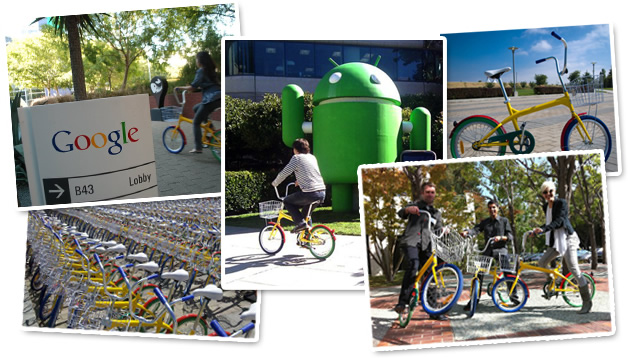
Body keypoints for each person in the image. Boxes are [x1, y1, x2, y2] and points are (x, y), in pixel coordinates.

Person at [532, 181, 592, 314]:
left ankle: (587, 302)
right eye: (545, 192)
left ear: (554, 191)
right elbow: (549, 222)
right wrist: (538, 230)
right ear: (543, 195)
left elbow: (559, 221)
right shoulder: (545, 207)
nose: (548, 194)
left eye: (550, 191)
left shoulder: (562, 203)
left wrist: (544, 229)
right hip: (556, 241)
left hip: (568, 238)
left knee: (573, 269)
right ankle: (551, 281)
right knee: (542, 262)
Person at [393, 182, 446, 320]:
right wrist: (408, 210)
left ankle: (433, 310)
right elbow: (401, 212)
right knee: (413, 265)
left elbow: (438, 229)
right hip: (411, 242)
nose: (430, 194)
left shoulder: (436, 213)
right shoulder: (415, 205)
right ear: (423, 193)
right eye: (427, 192)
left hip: (426, 245)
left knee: (431, 275)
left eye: (432, 192)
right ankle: (402, 302)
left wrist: (445, 230)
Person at [461, 200, 516, 310]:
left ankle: (514, 297)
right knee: (478, 273)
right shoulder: (485, 222)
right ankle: (474, 300)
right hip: (488, 250)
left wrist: (501, 238)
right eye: (490, 208)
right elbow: (476, 229)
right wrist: (467, 232)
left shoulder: (504, 221)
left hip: (501, 250)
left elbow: (510, 236)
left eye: (494, 207)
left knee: (507, 271)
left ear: (498, 208)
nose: (492, 210)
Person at [271, 139, 326, 235]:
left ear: (295, 149)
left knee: (287, 201)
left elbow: (285, 173)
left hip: (310, 193)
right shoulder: (312, 157)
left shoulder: (296, 158)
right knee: (305, 215)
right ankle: (307, 238)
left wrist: (275, 183)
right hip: (321, 192)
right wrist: (299, 181)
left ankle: (300, 224)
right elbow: (311, 173)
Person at [175, 51, 220, 154]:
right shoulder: (211, 70)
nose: (196, 61)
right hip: (218, 98)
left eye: (196, 59)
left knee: (196, 122)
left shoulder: (201, 71)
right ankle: (212, 130)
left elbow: (193, 87)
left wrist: (180, 87)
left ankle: (198, 147)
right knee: (196, 108)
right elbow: (208, 84)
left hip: (210, 100)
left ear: (200, 61)